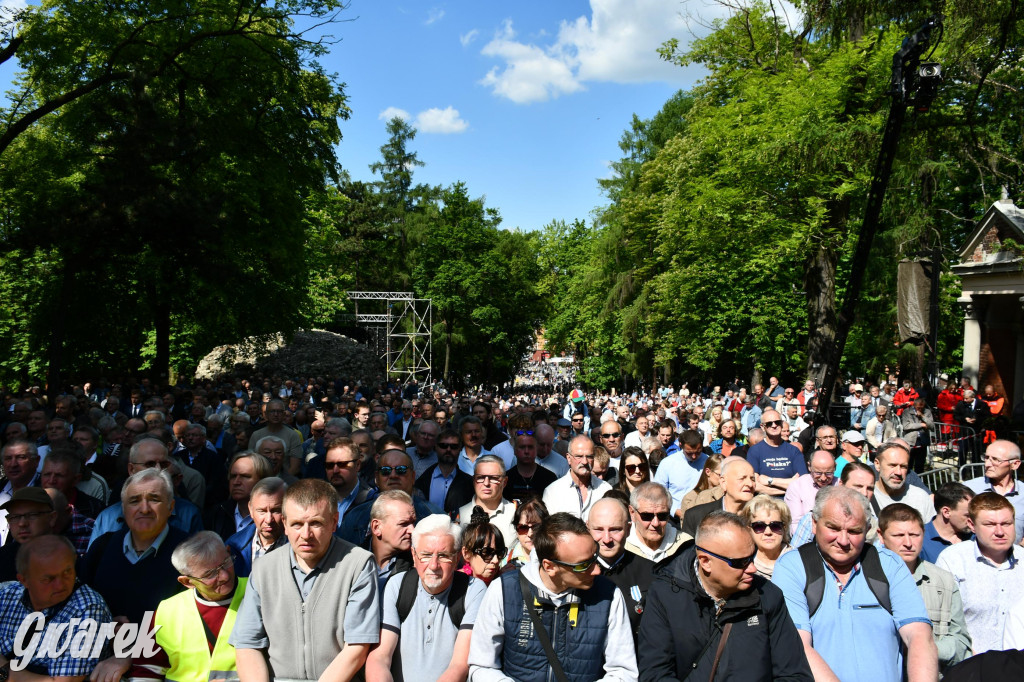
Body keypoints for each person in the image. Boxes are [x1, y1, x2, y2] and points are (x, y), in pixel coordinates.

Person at [773, 485, 937, 682]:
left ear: (867, 530)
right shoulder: (793, 567)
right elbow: (798, 645)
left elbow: (919, 635)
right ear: (814, 524)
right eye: (833, 528)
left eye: (854, 531)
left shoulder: (889, 565)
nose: (843, 540)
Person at [231, 478, 380, 682]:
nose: (306, 534)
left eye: (316, 523)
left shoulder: (358, 564)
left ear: (335, 521)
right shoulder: (263, 569)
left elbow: (357, 647)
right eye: (297, 524)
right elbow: (247, 644)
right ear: (284, 524)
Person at [638, 511, 812, 681]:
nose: (752, 568)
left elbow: (794, 673)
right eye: (740, 563)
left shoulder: (768, 595)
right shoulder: (664, 595)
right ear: (705, 561)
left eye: (752, 557)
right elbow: (654, 673)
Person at [467, 512, 638, 681]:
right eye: (583, 565)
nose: (597, 570)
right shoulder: (504, 590)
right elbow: (482, 666)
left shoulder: (609, 595)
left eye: (594, 557)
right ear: (549, 567)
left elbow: (623, 672)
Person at [366, 514, 487, 682]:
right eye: (426, 555)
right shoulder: (398, 585)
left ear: (457, 558)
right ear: (414, 556)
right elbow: (379, 657)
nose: (433, 565)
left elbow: (459, 665)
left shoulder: (473, 590)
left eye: (443, 555)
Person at [130, 531, 247, 682]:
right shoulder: (165, 611)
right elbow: (144, 672)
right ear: (187, 582)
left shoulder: (260, 592)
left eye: (226, 562)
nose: (224, 576)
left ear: (229, 551)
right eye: (210, 574)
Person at [0, 536, 112, 680]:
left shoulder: (88, 609)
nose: (60, 585)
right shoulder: (6, 595)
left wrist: (4, 670)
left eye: (67, 572)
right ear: (24, 580)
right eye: (48, 579)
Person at [877, 504, 972, 671]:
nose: (908, 543)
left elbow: (961, 644)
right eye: (899, 535)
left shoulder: (944, 581)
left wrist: (921, 648)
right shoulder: (864, 577)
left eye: (914, 535)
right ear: (881, 536)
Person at [936, 491, 1024, 654]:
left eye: (1006, 524)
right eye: (990, 524)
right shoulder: (953, 560)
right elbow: (943, 624)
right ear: (971, 525)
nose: (999, 531)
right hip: (972, 668)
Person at [89, 439, 203, 544]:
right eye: (150, 464)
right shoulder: (108, 518)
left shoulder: (189, 514)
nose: (158, 469)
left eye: (164, 465)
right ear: (131, 469)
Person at [587, 496, 653, 646]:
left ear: (629, 529)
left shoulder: (651, 573)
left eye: (615, 529)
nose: (607, 538)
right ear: (587, 529)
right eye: (598, 529)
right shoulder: (575, 573)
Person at [226, 477, 288, 577]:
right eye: (262, 511)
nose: (268, 519)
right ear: (250, 509)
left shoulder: (300, 546)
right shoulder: (233, 545)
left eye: (276, 510)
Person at [542, 435, 611, 522]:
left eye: (589, 456)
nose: (585, 461)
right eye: (579, 456)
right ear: (568, 458)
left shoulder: (605, 489)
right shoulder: (552, 492)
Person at [682, 456, 756, 537]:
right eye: (742, 478)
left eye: (752, 479)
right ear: (723, 482)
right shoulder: (696, 516)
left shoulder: (760, 517)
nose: (750, 484)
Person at [205, 452, 272, 540]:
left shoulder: (273, 518)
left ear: (262, 481)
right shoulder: (217, 513)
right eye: (233, 476)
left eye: (245, 476)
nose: (236, 482)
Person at [747, 409, 808, 496]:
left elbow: (803, 483)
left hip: (790, 503)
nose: (774, 425)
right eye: (769, 423)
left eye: (777, 422)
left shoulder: (793, 451)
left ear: (782, 424)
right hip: (764, 503)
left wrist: (770, 481)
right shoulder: (755, 451)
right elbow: (756, 485)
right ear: (762, 426)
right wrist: (789, 486)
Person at [872, 442, 936, 524]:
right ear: (877, 464)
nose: (898, 472)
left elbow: (930, 533)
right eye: (892, 465)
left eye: (903, 467)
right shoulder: (866, 498)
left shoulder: (921, 497)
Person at [962, 439, 1024, 522]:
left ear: (1015, 464)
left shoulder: (1022, 493)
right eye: (986, 458)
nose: (987, 464)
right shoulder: (968, 489)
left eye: (996, 459)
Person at [415, 428, 474, 514]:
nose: (448, 449)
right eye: (443, 445)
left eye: (454, 446)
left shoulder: (470, 483)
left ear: (460, 449)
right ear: (436, 447)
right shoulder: (422, 481)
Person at [624, 482, 687, 562]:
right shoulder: (620, 547)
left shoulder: (685, 545)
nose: (655, 523)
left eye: (662, 516)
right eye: (647, 516)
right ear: (632, 513)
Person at [783, 450, 839, 534]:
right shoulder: (797, 486)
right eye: (818, 473)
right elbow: (794, 525)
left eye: (828, 473)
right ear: (809, 467)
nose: (823, 478)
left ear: (835, 467)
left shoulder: (840, 485)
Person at [741, 494, 792, 579]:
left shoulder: (798, 560)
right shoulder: (743, 564)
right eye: (759, 526)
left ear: (784, 528)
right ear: (749, 530)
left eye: (775, 526)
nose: (768, 532)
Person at [920, 482, 974, 563]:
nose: (973, 520)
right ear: (946, 512)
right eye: (967, 515)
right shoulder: (919, 540)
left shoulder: (976, 535)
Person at [504, 425, 557, 503]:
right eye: (522, 447)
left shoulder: (549, 478)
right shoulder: (506, 479)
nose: (526, 451)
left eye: (530, 447)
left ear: (536, 450)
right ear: (515, 451)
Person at [459, 509, 507, 586]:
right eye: (486, 552)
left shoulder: (506, 581)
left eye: (500, 553)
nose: (496, 560)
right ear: (466, 553)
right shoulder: (454, 584)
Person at [505, 497, 548, 568]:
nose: (530, 534)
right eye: (523, 528)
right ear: (516, 529)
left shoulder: (556, 557)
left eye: (536, 527)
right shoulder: (505, 561)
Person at [901, 398, 935, 473]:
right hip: (911, 441)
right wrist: (921, 425)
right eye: (918, 407)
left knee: (920, 464)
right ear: (914, 405)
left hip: (923, 441)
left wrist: (923, 416)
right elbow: (906, 426)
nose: (920, 409)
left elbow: (931, 426)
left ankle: (919, 480)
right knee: (909, 463)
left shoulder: (927, 412)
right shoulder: (907, 412)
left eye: (922, 407)